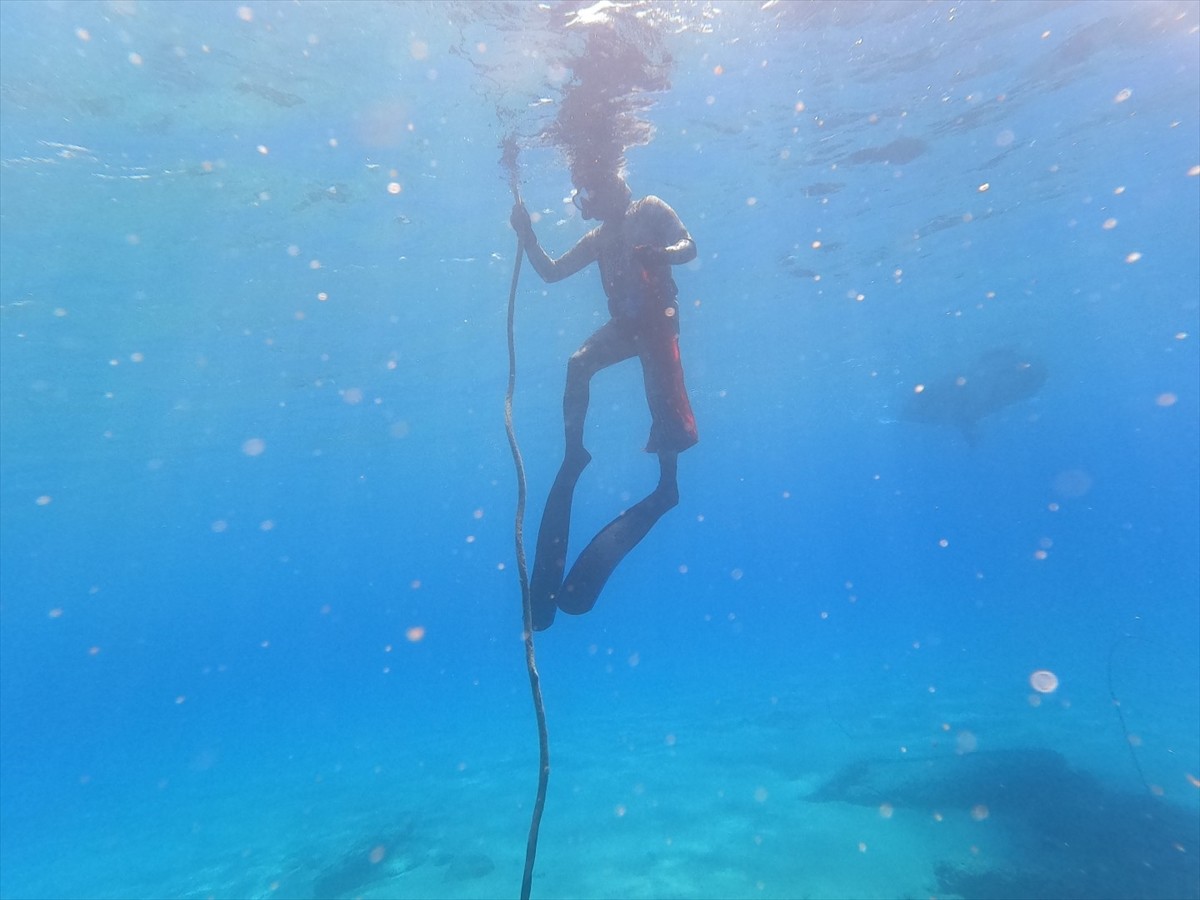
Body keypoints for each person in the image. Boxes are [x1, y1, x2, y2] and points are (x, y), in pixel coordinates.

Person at [510, 168, 698, 631]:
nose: (591, 201)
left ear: (618, 186)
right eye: (587, 195)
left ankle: (666, 484)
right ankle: (575, 451)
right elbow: (551, 272)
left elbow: (689, 246)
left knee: (663, 400)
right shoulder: (599, 239)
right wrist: (527, 234)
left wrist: (662, 253)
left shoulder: (651, 210)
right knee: (579, 364)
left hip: (658, 321)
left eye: (594, 190)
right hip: (626, 327)